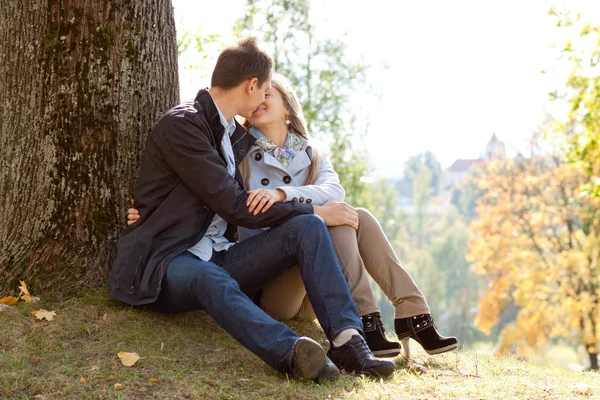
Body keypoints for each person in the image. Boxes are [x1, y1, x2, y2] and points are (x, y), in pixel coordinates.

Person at [110, 37, 395, 383]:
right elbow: (234, 205)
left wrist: (307, 209)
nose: (264, 100)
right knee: (211, 276)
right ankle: (293, 354)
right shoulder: (184, 125)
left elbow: (284, 153)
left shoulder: (231, 134)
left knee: (307, 229)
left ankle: (347, 339)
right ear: (251, 86)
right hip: (168, 260)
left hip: (221, 253)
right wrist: (316, 212)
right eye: (264, 92)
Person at [127, 72, 459, 358]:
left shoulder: (312, 152)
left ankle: (413, 315)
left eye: (268, 94)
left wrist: (283, 193)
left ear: (287, 107)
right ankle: (365, 320)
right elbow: (210, 194)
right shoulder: (238, 152)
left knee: (356, 216)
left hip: (317, 287)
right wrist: (157, 212)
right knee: (325, 221)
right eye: (257, 94)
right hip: (272, 285)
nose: (259, 101)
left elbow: (334, 194)